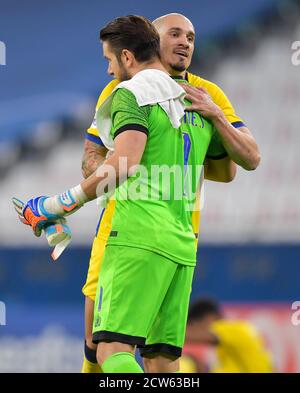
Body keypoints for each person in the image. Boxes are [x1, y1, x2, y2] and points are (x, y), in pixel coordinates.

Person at [14, 15, 257, 373]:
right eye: (175, 34)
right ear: (153, 41)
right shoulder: (182, 98)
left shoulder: (148, 94)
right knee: (160, 361)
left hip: (134, 233)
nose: (186, 43)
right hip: (179, 239)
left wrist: (59, 204)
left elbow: (125, 163)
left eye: (191, 36)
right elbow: (227, 167)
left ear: (128, 55)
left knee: (109, 348)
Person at [184, 298, 274, 372]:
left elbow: (194, 336)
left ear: (209, 317)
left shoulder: (231, 329)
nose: (196, 330)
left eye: (194, 325)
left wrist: (172, 333)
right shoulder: (237, 336)